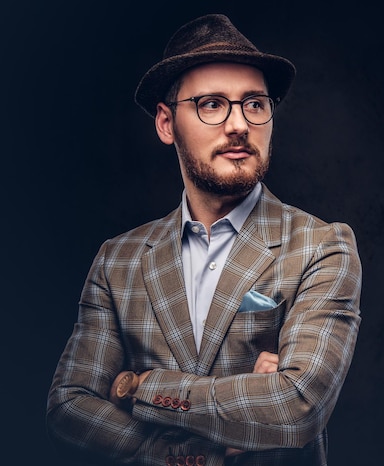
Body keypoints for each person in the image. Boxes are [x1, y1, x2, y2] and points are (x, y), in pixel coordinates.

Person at [46, 13, 362, 466]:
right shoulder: (118, 261)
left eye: (254, 103)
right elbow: (69, 408)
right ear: (165, 123)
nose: (238, 124)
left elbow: (296, 408)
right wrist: (183, 450)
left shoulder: (321, 247)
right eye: (212, 104)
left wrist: (138, 386)